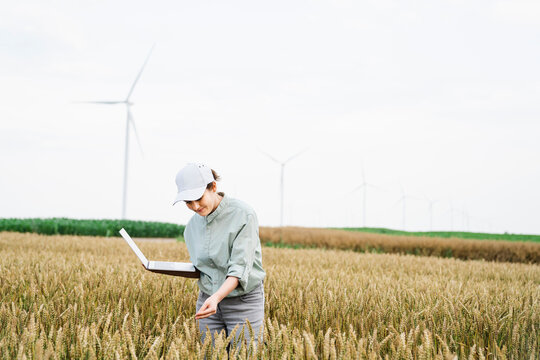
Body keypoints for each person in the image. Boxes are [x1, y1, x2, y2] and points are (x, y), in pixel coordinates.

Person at [172, 163, 266, 351]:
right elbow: (204, 268)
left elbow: (239, 269)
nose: (195, 206)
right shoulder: (191, 227)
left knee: (245, 354)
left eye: (198, 198)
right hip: (207, 302)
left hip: (243, 301)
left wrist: (217, 297)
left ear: (213, 187)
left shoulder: (243, 215)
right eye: (188, 203)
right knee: (209, 354)